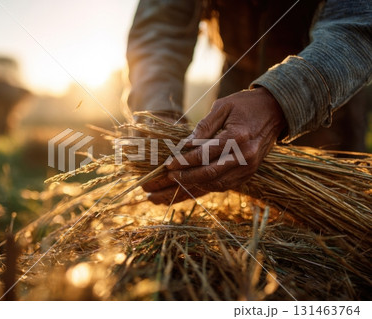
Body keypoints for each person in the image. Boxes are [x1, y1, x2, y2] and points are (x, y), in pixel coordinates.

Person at [126, 0, 372, 205]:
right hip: (238, 75)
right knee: (232, 201)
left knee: (328, 205)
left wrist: (282, 99)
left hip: (329, 79)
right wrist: (156, 112)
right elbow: (161, 25)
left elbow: (360, 22)